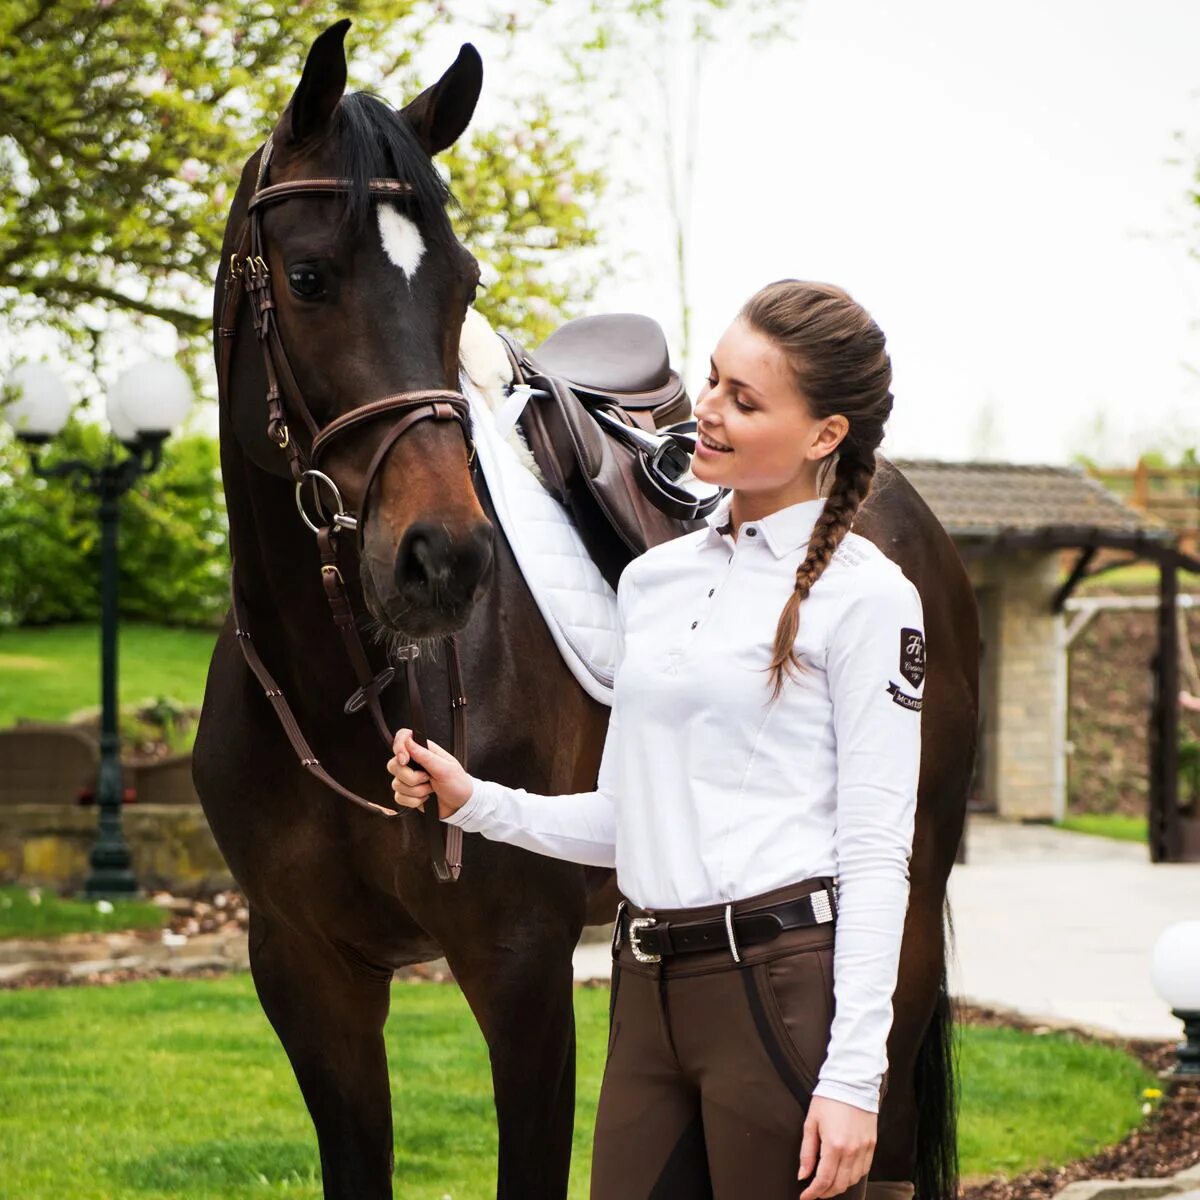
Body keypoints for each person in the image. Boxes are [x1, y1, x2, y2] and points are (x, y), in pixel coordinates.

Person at [387, 279, 925, 1200]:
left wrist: (852, 1079)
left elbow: (877, 855)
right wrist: (475, 803)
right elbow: (630, 820)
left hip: (778, 991)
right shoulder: (654, 582)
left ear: (825, 435)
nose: (704, 411)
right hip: (645, 992)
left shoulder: (869, 598)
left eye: (743, 400)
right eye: (712, 380)